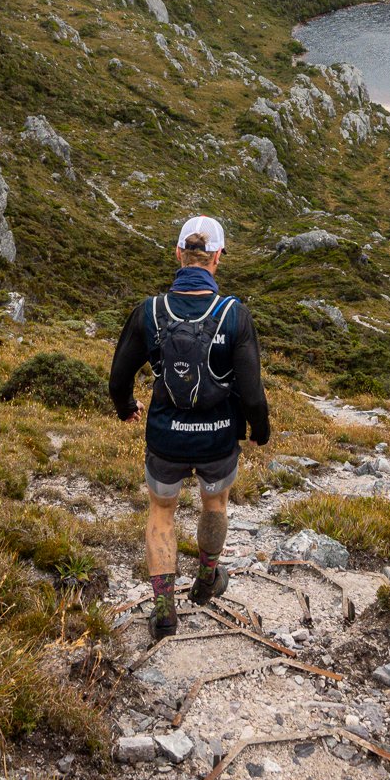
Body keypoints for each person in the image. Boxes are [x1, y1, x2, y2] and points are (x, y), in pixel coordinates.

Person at [109, 214, 271, 639]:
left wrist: (126, 407)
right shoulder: (235, 314)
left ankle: (164, 612)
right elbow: (252, 392)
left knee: (162, 511)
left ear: (179, 254)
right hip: (218, 437)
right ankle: (208, 576)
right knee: (215, 504)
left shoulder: (151, 311)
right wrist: (260, 428)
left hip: (166, 437)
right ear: (218, 258)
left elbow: (118, 378)